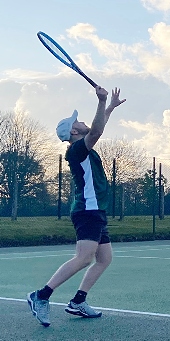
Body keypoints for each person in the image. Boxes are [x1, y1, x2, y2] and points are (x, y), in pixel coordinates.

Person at [27, 86, 126, 327]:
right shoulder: (77, 150)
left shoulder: (83, 147)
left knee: (104, 258)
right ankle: (41, 296)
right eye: (78, 122)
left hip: (96, 210)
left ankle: (78, 301)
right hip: (87, 211)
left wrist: (109, 107)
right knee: (84, 258)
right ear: (73, 131)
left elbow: (96, 127)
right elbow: (98, 130)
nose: (82, 122)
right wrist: (101, 102)